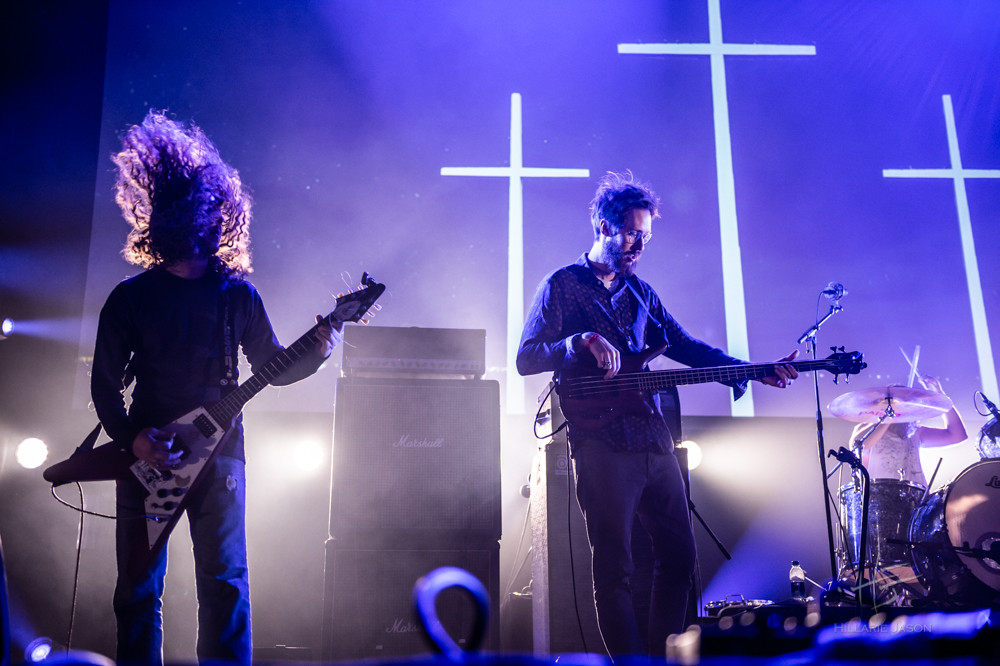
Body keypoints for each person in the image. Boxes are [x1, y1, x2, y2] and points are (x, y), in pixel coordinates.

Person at [91, 111, 342, 665]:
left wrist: (319, 352)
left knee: (225, 584)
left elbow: (273, 367)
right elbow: (105, 388)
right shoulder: (130, 299)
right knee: (137, 588)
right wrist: (136, 441)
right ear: (167, 216)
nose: (206, 217)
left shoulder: (237, 296)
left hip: (222, 455)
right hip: (150, 455)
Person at [516, 172, 797, 656]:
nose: (638, 244)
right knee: (614, 569)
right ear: (603, 226)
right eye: (630, 232)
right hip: (600, 442)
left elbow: (686, 346)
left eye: (645, 236)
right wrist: (576, 341)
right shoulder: (561, 285)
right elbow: (527, 356)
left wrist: (752, 370)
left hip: (652, 439)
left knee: (681, 557)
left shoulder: (642, 294)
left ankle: (663, 658)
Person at [853, 376, 967, 486]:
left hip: (915, 499)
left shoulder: (914, 432)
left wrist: (940, 397)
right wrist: (889, 416)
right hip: (878, 499)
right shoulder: (866, 429)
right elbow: (859, 446)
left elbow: (957, 435)